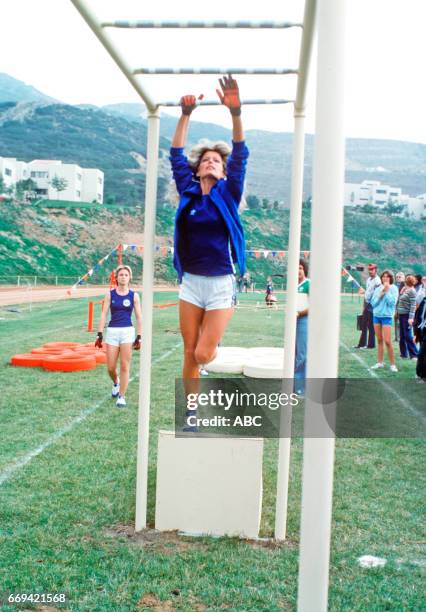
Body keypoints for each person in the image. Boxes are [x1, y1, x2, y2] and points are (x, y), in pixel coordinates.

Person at [170, 75, 249, 395]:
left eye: (217, 160)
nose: (212, 162)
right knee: (189, 353)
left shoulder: (228, 194)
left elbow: (241, 154)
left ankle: (214, 346)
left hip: (220, 283)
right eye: (206, 160)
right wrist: (185, 114)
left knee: (203, 354)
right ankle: (191, 413)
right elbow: (175, 154)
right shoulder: (188, 191)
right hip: (191, 281)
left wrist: (235, 112)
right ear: (199, 168)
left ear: (223, 171)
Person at [95, 265, 142, 407]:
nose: (123, 277)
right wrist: (99, 333)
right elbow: (103, 314)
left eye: (126, 275)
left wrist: (139, 336)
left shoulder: (134, 295)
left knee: (124, 366)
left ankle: (122, 396)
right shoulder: (110, 294)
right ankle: (116, 383)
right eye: (121, 274)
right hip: (112, 332)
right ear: (116, 277)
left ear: (130, 277)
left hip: (127, 331)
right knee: (110, 367)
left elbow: (139, 317)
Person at [370, 270, 399, 372]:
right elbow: (373, 303)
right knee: (379, 340)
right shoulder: (378, 289)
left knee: (387, 341)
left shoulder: (394, 288)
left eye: (387, 277)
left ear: (391, 278)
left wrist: (386, 292)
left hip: (387, 317)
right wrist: (380, 295)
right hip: (376, 316)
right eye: (383, 276)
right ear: (381, 278)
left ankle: (392, 365)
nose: (385, 278)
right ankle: (380, 363)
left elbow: (392, 303)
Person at [354, 263, 381, 349]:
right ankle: (362, 344)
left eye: (372, 269)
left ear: (375, 270)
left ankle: (370, 345)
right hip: (367, 303)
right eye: (369, 269)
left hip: (373, 305)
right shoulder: (369, 279)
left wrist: (373, 305)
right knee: (364, 324)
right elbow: (367, 294)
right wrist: (364, 305)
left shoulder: (378, 281)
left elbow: (377, 294)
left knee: (371, 326)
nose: (370, 271)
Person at [295, 259, 310, 395]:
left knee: (302, 355)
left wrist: (299, 313)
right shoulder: (293, 285)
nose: (298, 271)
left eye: (300, 268)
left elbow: (314, 305)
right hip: (293, 321)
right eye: (296, 268)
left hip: (304, 321)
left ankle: (300, 388)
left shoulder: (309, 284)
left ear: (304, 269)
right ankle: (294, 385)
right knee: (292, 353)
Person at [397, 274, 418, 359]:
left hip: (406, 316)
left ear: (408, 282)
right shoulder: (406, 290)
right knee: (402, 336)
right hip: (401, 315)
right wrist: (401, 292)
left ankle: (414, 354)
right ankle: (403, 354)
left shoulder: (412, 291)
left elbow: (413, 305)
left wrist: (411, 318)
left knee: (407, 336)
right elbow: (400, 300)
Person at [413, 293, 426, 382]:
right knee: (421, 354)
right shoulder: (424, 300)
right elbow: (418, 316)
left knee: (422, 354)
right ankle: (419, 374)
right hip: (422, 330)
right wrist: (416, 333)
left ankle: (422, 375)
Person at [394, 271, 406, 341]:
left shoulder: (405, 286)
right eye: (397, 277)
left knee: (400, 322)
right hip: (395, 306)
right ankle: (396, 337)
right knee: (396, 321)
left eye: (399, 277)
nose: (398, 278)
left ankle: (400, 337)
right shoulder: (395, 285)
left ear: (403, 278)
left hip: (402, 306)